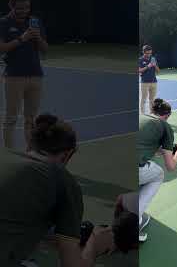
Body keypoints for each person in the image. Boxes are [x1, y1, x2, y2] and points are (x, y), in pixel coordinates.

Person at [0, 114, 113, 267]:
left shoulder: (4, 155)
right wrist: (94, 244)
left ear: (30, 144)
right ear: (67, 154)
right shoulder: (62, 181)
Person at [0, 0, 48, 150]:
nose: (23, 11)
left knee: (30, 119)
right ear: (11, 5)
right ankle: (9, 154)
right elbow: (2, 48)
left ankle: (30, 153)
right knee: (11, 118)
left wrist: (38, 37)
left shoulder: (35, 21)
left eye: (27, 7)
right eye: (20, 8)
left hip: (36, 76)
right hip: (14, 77)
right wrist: (22, 38)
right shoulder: (4, 23)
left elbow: (45, 49)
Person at [138, 98, 177, 241]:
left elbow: (143, 144)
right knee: (158, 174)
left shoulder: (140, 116)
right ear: (167, 115)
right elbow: (171, 167)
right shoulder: (165, 127)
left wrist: (159, 150)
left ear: (152, 110)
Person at [138, 45, 160, 114]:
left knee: (152, 100)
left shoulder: (153, 59)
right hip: (145, 83)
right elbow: (139, 71)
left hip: (154, 82)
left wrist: (155, 65)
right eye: (147, 53)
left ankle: (152, 113)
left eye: (150, 53)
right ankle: (142, 114)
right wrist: (148, 66)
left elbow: (158, 71)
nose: (149, 55)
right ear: (143, 52)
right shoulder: (140, 60)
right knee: (143, 99)